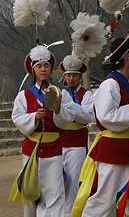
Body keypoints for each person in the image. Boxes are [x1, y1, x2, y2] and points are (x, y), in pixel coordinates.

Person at [70, 29, 129, 217]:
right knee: (103, 203)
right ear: (127, 57)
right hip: (112, 151)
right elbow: (106, 117)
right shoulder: (110, 84)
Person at [10, 45, 85, 217]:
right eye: (39, 66)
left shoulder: (61, 94)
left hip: (54, 150)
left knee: (54, 193)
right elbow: (18, 118)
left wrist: (58, 109)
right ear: (33, 70)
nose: (43, 69)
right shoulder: (24, 95)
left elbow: (67, 118)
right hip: (32, 150)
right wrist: (34, 117)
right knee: (30, 192)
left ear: (51, 69)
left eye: (46, 66)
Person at [59, 54, 94, 217]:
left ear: (80, 76)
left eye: (74, 75)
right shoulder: (58, 93)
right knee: (59, 182)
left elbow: (87, 117)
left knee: (73, 183)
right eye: (68, 75)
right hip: (59, 143)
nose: (70, 78)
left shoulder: (87, 95)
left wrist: (69, 105)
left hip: (78, 144)